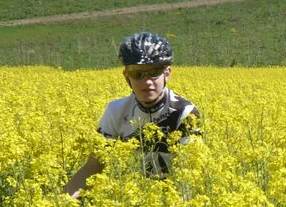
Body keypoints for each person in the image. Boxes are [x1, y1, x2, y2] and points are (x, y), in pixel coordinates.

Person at [63, 32, 200, 197]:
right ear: (127, 77)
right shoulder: (116, 110)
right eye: (137, 74)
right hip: (133, 201)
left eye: (154, 71)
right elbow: (93, 166)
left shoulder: (185, 113)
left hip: (175, 202)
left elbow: (192, 175)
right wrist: (62, 205)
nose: (146, 81)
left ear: (167, 73)